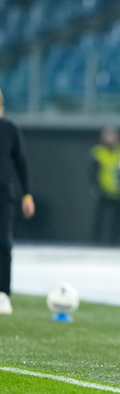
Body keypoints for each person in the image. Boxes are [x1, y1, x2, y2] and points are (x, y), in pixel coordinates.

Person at [0, 88, 35, 314]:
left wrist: (27, 194)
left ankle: (3, 293)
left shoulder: (9, 129)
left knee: (3, 243)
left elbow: (21, 163)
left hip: (3, 195)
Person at [90, 126, 120, 245]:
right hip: (102, 189)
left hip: (118, 190)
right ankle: (97, 239)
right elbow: (92, 171)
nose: (110, 138)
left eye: (112, 135)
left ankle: (116, 239)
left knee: (118, 218)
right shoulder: (98, 151)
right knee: (100, 216)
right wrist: (95, 186)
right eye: (107, 135)